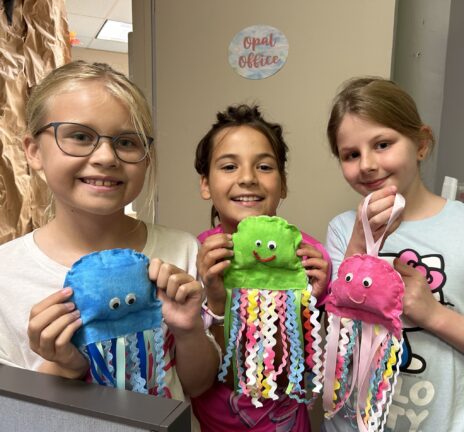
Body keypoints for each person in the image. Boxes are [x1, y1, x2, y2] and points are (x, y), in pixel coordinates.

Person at [0, 61, 219, 431]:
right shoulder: (7, 275)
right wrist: (63, 366)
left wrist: (188, 330)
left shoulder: (180, 250)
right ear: (34, 151)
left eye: (126, 142)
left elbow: (198, 384)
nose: (106, 157)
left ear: (146, 158)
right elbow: (18, 418)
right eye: (80, 136)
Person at [323, 77, 464, 432]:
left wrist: (433, 315)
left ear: (420, 144)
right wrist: (360, 237)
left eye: (382, 144)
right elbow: (338, 331)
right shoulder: (342, 230)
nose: (367, 164)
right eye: (351, 155)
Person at [191, 104, 332, 431]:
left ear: (282, 184)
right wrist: (214, 299)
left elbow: (302, 366)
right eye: (229, 166)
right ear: (205, 185)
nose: (247, 178)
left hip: (287, 421)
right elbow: (204, 372)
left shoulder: (307, 258)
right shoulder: (196, 257)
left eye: (264, 166)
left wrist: (310, 301)